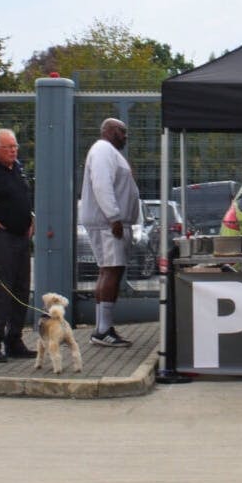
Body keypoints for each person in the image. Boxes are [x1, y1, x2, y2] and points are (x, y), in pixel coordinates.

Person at [81, 118, 140, 347]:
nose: (125, 136)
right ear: (108, 131)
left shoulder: (109, 152)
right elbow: (101, 184)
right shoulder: (103, 150)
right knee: (111, 271)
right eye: (122, 131)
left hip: (111, 222)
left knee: (108, 270)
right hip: (108, 223)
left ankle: (102, 328)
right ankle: (103, 330)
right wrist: (114, 217)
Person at [0, 128, 36, 360]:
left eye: (15, 147)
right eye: (8, 147)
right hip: (3, 238)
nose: (13, 151)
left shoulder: (18, 169)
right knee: (3, 290)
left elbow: (23, 195)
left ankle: (15, 340)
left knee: (22, 288)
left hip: (22, 237)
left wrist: (31, 217)